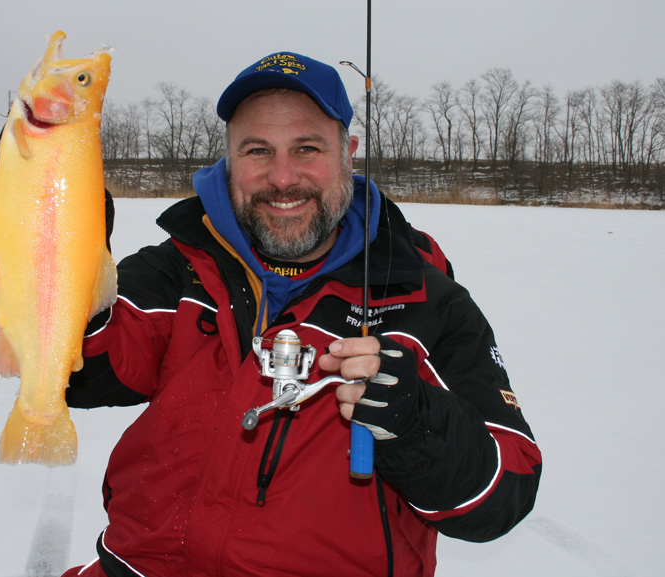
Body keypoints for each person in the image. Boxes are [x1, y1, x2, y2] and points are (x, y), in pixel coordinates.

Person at [60, 52, 541, 577]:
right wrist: (64, 260)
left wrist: (416, 425)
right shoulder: (182, 268)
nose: (282, 177)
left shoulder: (426, 301)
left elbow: (505, 492)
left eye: (307, 148)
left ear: (348, 154)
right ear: (229, 158)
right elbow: (78, 374)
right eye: (257, 150)